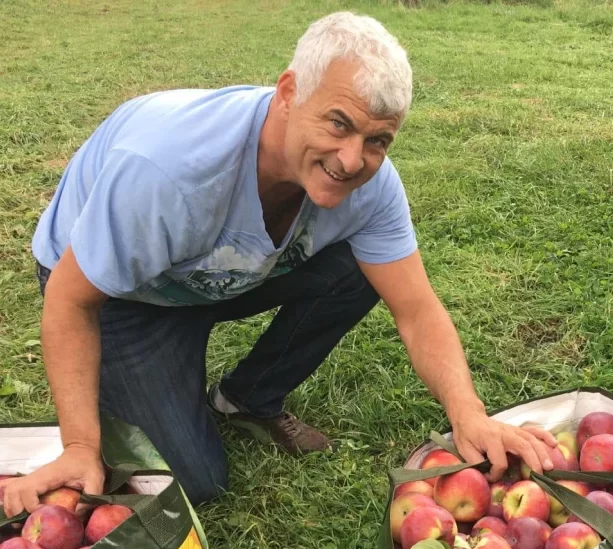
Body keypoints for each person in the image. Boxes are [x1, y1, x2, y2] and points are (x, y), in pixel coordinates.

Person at [3, 11, 556, 517]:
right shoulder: (170, 171)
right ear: (289, 91)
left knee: (362, 269)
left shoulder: (373, 188)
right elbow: (71, 299)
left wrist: (469, 413)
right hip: (119, 293)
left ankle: (245, 397)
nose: (352, 160)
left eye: (377, 140)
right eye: (339, 123)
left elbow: (414, 307)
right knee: (191, 482)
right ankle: (148, 375)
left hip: (217, 274)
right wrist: (80, 445)